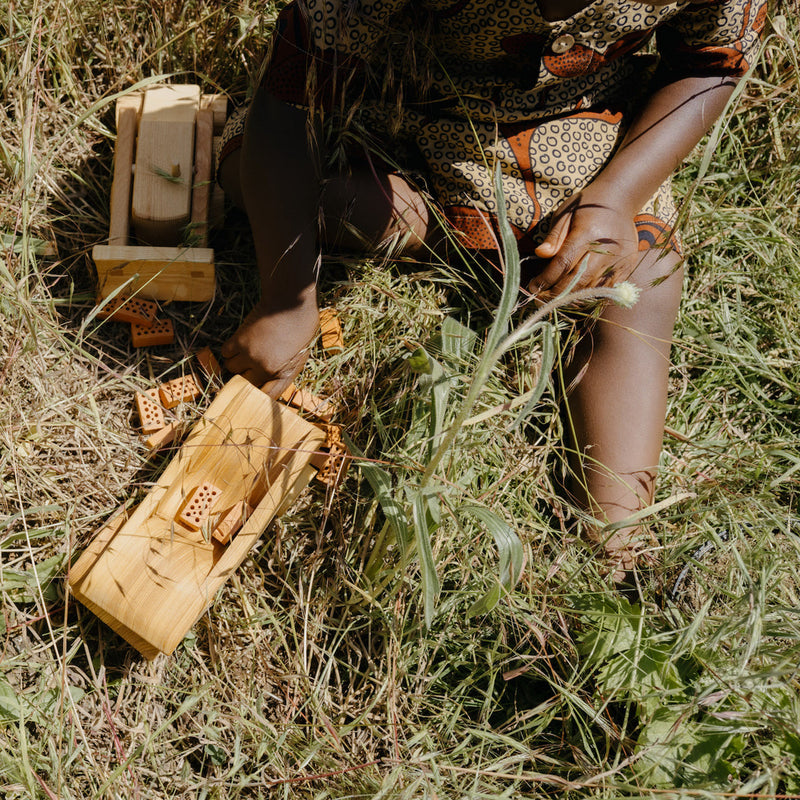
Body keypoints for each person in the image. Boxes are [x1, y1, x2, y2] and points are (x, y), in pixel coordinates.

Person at [217, 0, 766, 581]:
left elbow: (710, 65)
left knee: (643, 274)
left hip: (568, 126)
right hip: (387, 100)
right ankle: (437, 227)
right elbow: (286, 107)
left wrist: (617, 198)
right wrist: (287, 301)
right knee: (256, 176)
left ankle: (617, 553)